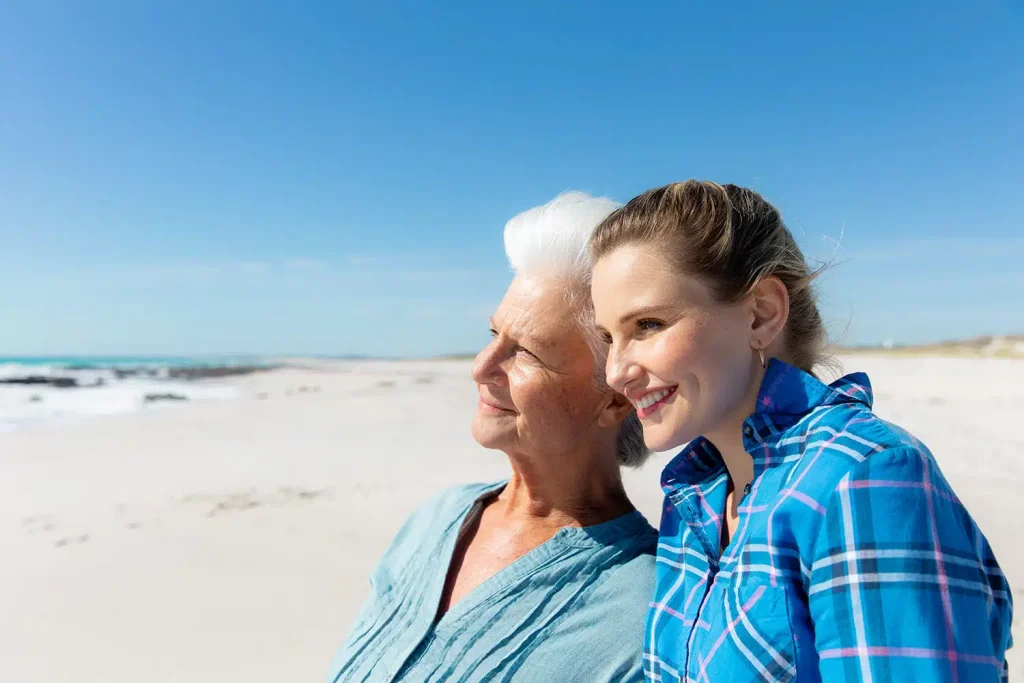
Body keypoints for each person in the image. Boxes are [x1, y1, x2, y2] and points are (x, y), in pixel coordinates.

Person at [588, 180, 1013, 682]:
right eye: (608, 337)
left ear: (762, 314)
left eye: (648, 325)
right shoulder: (696, 496)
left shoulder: (861, 478)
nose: (616, 371)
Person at [326, 192, 657, 683]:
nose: (481, 367)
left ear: (615, 398)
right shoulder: (438, 518)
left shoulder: (642, 610)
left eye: (526, 352)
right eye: (492, 334)